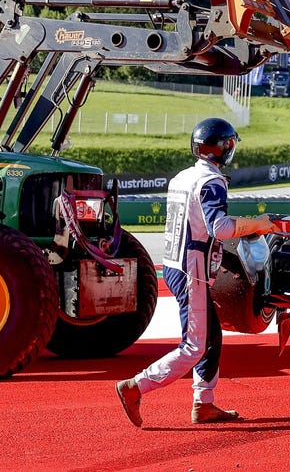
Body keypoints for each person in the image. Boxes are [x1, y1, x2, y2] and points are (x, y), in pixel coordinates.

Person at [115, 117, 277, 427]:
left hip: (177, 264)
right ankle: (136, 386)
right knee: (194, 346)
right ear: (224, 149)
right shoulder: (212, 181)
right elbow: (220, 227)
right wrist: (257, 224)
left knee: (211, 336)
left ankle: (204, 404)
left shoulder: (182, 177)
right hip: (194, 270)